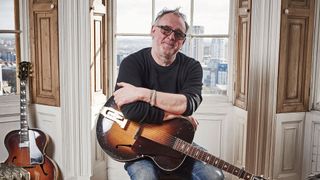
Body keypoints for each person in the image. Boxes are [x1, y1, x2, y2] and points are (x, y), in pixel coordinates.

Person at [113, 8, 224, 180]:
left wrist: (142, 94)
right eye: (165, 30)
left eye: (178, 34)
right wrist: (174, 115)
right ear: (153, 30)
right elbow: (131, 111)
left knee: (213, 175)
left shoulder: (192, 67)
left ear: (183, 41)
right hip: (137, 144)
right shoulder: (132, 63)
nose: (171, 37)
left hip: (174, 142)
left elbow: (188, 105)